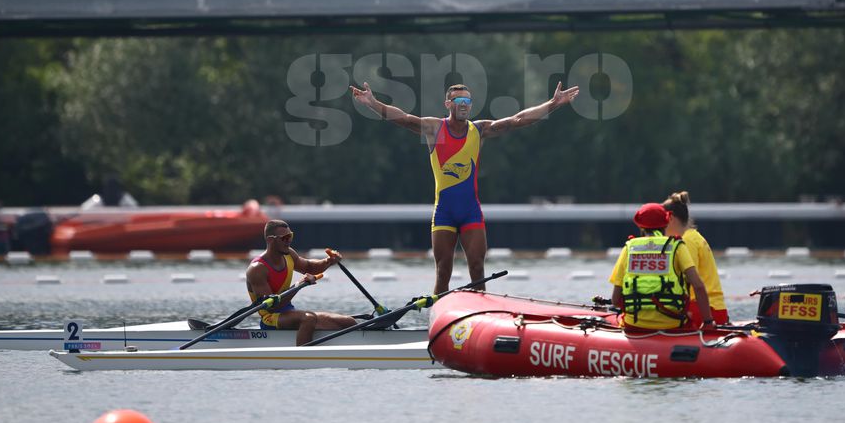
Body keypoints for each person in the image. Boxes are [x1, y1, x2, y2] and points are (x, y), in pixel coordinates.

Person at [351, 80, 580, 294]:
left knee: (478, 269)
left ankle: (477, 319)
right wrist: (372, 103)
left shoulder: (478, 130)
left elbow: (517, 120)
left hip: (470, 211)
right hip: (444, 213)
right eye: (459, 101)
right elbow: (402, 118)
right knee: (443, 273)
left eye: (468, 102)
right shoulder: (434, 129)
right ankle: (438, 321)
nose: (464, 106)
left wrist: (553, 104)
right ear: (448, 104)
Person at [246, 219, 357, 345]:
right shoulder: (257, 269)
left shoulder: (288, 254)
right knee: (308, 319)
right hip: (270, 318)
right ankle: (302, 358)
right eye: (285, 238)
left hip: (289, 312)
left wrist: (328, 261)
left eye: (290, 236)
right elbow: (273, 307)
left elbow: (309, 267)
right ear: (270, 240)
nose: (289, 241)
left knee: (348, 322)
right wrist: (298, 285)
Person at [609, 203, 715, 335]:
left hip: (634, 323)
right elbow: (698, 286)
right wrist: (708, 322)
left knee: (613, 319)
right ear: (666, 223)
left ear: (640, 226)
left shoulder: (629, 247)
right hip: (672, 324)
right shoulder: (676, 246)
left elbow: (615, 299)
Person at [661, 190, 730, 326]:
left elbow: (691, 283)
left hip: (703, 309)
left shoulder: (686, 241)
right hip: (714, 308)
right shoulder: (693, 236)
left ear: (670, 218)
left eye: (661, 221)